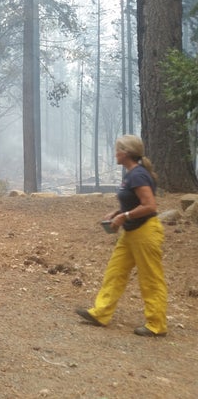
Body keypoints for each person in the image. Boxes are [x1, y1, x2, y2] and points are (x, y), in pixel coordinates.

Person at [76, 134, 168, 337]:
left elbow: (150, 206)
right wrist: (118, 213)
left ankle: (156, 324)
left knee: (150, 278)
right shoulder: (131, 174)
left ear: (125, 153)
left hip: (145, 232)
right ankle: (101, 313)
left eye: (117, 149)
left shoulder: (138, 175)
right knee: (115, 272)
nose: (115, 153)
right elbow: (134, 202)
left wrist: (124, 216)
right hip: (131, 232)